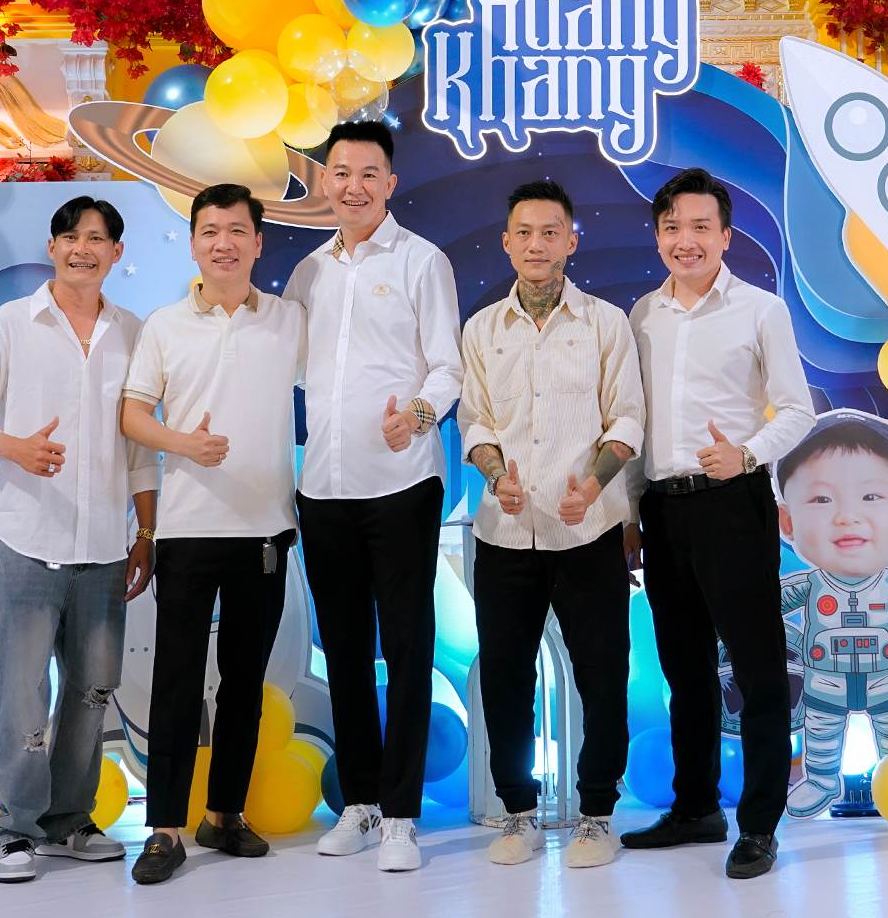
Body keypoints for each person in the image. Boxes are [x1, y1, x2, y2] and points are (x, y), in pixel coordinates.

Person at [0, 195, 157, 883]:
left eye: (96, 239)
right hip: (27, 537)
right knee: (20, 690)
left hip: (104, 544)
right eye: (69, 236)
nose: (81, 249)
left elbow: (140, 449)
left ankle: (69, 820)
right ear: (52, 247)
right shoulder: (8, 324)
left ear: (116, 253)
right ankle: (13, 829)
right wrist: (12, 446)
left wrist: (145, 530)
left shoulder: (134, 333)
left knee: (92, 689)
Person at [623, 167, 816, 879]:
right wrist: (630, 512)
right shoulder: (642, 314)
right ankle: (696, 807)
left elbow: (797, 410)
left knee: (758, 670)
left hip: (733, 502)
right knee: (684, 668)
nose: (687, 240)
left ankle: (759, 824)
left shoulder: (761, 310)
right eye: (673, 227)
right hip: (661, 507)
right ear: (658, 236)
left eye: (701, 227)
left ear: (726, 236)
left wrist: (747, 454)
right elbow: (636, 420)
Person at [284, 120, 461, 873]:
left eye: (368, 174)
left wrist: (417, 417)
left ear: (390, 183)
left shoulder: (422, 261)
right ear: (323, 181)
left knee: (409, 646)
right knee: (345, 649)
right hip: (323, 484)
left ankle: (402, 815)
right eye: (340, 172)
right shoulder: (307, 273)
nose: (352, 186)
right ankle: (359, 801)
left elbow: (448, 368)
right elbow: (290, 371)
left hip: (402, 482)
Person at [122, 184, 307, 886]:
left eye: (236, 230)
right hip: (188, 528)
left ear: (259, 242)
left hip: (265, 529)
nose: (223, 243)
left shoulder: (289, 320)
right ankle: (165, 827)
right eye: (209, 231)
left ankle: (224, 813)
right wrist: (184, 445)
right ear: (194, 243)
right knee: (175, 680)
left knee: (244, 683)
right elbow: (133, 415)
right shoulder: (165, 325)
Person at [457, 180, 643, 869]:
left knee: (604, 673)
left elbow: (627, 418)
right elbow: (476, 420)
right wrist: (494, 474)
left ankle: (597, 814)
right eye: (525, 233)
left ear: (571, 241)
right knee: (506, 677)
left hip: (588, 531)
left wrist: (592, 484)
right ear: (507, 242)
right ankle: (518, 813)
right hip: (504, 533)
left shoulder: (605, 323)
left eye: (550, 232)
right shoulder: (482, 329)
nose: (537, 245)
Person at [775, 410, 888, 819]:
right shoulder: (809, 587)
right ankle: (821, 780)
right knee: (821, 734)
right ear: (787, 521)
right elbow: (763, 610)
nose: (846, 516)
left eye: (871, 497)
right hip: (825, 682)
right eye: (821, 499)